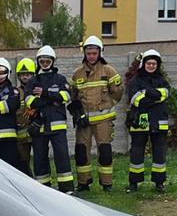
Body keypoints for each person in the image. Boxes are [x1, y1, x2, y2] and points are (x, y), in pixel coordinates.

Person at [71, 37, 124, 192]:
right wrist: (76, 111)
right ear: (85, 54)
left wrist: (107, 106)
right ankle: (83, 183)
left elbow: (118, 93)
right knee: (81, 151)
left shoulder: (109, 71)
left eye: (94, 53)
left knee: (105, 152)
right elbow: (73, 95)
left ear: (100, 53)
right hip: (84, 122)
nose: (92, 56)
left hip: (103, 121)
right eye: (89, 53)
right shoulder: (77, 74)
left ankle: (107, 184)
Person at [25, 45, 75, 192]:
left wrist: (44, 93)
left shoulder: (60, 79)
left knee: (62, 158)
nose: (45, 64)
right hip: (38, 127)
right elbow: (29, 101)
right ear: (38, 62)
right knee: (40, 159)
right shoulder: (32, 81)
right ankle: (43, 190)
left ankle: (67, 189)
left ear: (53, 61)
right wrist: (53, 99)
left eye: (47, 61)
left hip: (57, 127)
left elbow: (66, 96)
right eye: (42, 61)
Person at [124, 50, 175, 193]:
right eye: (149, 63)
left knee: (159, 152)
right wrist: (154, 96)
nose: (151, 66)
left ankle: (159, 183)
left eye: (154, 63)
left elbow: (165, 94)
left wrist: (146, 92)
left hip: (159, 121)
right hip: (141, 119)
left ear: (157, 65)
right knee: (137, 152)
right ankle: (134, 183)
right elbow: (135, 99)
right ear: (143, 64)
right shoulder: (135, 80)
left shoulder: (162, 81)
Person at [13, 56, 37, 175]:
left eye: (28, 74)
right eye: (22, 74)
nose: (25, 77)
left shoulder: (37, 90)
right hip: (21, 134)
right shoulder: (15, 92)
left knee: (39, 159)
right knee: (22, 161)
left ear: (33, 75)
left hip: (37, 132)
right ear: (18, 76)